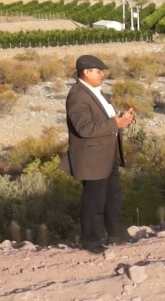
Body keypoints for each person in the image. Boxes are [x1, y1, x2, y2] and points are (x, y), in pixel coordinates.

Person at [59, 54, 136, 254]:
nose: (102, 74)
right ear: (86, 73)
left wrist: (121, 119)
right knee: (94, 199)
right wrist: (114, 124)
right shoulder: (77, 95)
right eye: (98, 71)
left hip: (105, 154)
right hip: (92, 157)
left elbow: (104, 119)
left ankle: (117, 233)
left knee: (112, 194)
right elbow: (84, 128)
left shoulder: (96, 92)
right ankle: (91, 241)